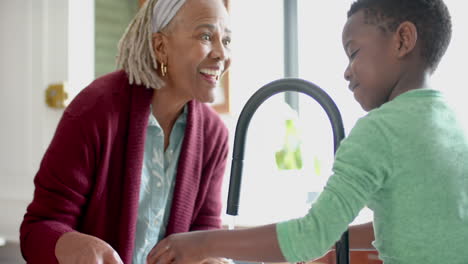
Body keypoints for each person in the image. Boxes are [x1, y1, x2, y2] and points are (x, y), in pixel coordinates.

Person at [147, 0, 468, 263]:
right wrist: (332, 246)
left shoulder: (381, 130)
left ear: (402, 40)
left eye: (354, 52)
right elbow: (418, 223)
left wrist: (203, 244)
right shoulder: (453, 124)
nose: (346, 71)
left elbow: (310, 236)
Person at [19, 0, 232, 263]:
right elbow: (37, 229)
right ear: (160, 46)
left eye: (227, 40)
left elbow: (204, 232)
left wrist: (209, 257)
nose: (222, 53)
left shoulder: (214, 135)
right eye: (206, 36)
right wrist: (74, 246)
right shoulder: (94, 112)